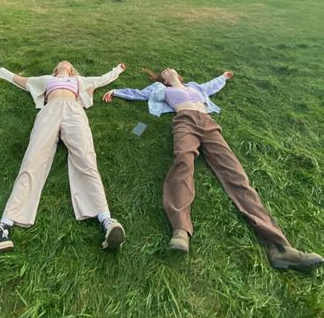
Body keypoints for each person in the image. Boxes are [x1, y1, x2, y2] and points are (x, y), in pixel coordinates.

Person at [103, 67, 323, 272]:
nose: (169, 70)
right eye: (165, 71)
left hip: (208, 124)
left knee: (236, 175)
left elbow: (211, 86)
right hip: (184, 122)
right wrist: (115, 90)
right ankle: (180, 230)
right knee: (183, 163)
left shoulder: (195, 87)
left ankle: (280, 248)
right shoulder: (160, 89)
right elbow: (138, 93)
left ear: (179, 75)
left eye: (172, 69)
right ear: (164, 78)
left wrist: (223, 78)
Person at [0, 60, 127, 255]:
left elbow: (102, 80)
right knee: (32, 161)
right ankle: (4, 228)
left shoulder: (79, 80)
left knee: (86, 159)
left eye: (68, 62)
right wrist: (0, 71)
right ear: (56, 68)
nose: (65, 62)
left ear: (71, 69)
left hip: (74, 113)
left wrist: (117, 69)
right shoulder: (45, 79)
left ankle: (106, 219)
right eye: (62, 62)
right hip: (49, 112)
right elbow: (20, 80)